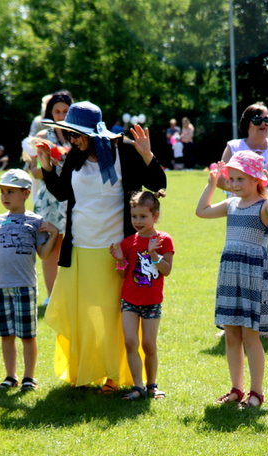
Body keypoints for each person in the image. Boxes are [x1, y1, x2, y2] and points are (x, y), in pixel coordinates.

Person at [34, 101, 166, 390]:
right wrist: (46, 165)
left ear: (93, 133)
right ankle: (84, 372)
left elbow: (158, 185)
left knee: (113, 316)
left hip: (116, 251)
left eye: (75, 134)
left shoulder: (126, 152)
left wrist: (147, 156)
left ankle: (115, 375)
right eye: (68, 134)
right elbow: (61, 192)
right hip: (79, 248)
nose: (71, 139)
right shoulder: (74, 156)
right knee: (83, 314)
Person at [196, 151, 268, 407]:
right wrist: (212, 183)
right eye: (232, 179)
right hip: (231, 273)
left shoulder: (264, 205)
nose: (234, 184)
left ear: (256, 179)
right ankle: (236, 388)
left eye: (240, 179)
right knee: (231, 335)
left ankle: (256, 392)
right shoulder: (231, 204)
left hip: (252, 274)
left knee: (250, 336)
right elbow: (202, 211)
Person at [0, 169, 58, 392]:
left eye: (10, 191)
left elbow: (44, 254)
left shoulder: (35, 221)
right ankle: (10, 376)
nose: (4, 196)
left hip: (24, 286)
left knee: (27, 335)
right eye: (2, 192)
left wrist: (54, 234)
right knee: (6, 335)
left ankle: (29, 377)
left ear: (26, 193)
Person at [221, 102, 268, 321]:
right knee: (239, 272)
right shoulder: (233, 147)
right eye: (259, 120)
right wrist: (242, 188)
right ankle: (235, 321)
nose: (264, 124)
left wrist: (261, 184)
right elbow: (222, 178)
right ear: (247, 123)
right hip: (242, 218)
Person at [109, 191, 174, 401]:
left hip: (152, 302)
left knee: (148, 344)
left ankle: (152, 385)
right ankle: (138, 386)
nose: (138, 221)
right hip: (129, 299)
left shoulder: (164, 240)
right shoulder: (128, 243)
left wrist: (154, 254)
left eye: (143, 216)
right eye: (134, 216)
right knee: (130, 341)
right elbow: (122, 274)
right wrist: (120, 259)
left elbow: (166, 270)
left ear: (155, 216)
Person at [26, 91, 73, 305]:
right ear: (50, 113)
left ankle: (72, 293)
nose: (62, 115)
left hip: (75, 197)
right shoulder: (42, 138)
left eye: (66, 111)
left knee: (74, 246)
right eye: (57, 111)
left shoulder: (79, 136)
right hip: (50, 198)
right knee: (51, 247)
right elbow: (33, 171)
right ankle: (52, 295)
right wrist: (50, 163)